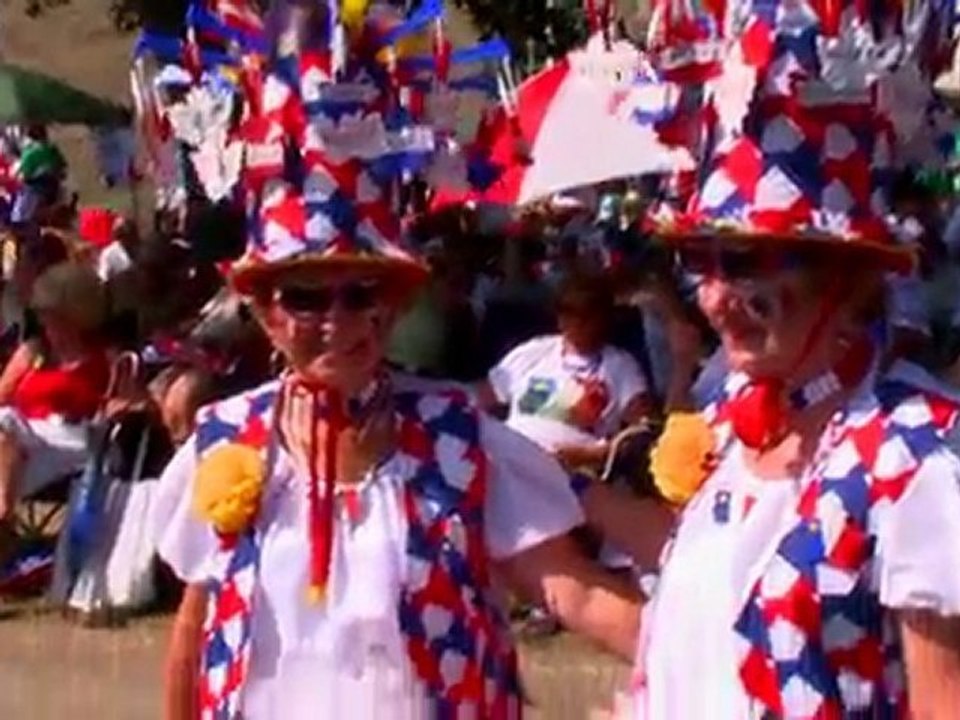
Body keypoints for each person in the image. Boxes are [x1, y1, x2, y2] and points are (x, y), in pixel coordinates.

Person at [152, 6, 662, 718]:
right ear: (266, 310)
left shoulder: (459, 440)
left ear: (393, 304)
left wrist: (705, 668)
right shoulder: (223, 441)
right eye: (305, 297)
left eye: (363, 292)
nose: (339, 321)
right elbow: (196, 632)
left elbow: (570, 590)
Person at [601, 0, 960, 715]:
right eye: (700, 261)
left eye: (745, 263)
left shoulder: (917, 457)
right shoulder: (736, 429)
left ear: (844, 272)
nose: (715, 298)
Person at [478, 270, 653, 471]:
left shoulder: (621, 366)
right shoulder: (535, 350)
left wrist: (596, 454)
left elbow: (640, 431)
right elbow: (483, 400)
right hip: (510, 455)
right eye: (566, 311)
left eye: (584, 314)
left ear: (603, 318)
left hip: (573, 469)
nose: (573, 321)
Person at [0, 263, 110, 550]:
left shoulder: (102, 358)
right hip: (23, 440)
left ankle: (3, 514)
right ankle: (3, 514)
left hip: (71, 440)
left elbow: (112, 407)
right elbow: (2, 394)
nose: (49, 328)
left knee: (6, 421)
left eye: (55, 320)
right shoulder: (35, 353)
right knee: (7, 424)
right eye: (45, 319)